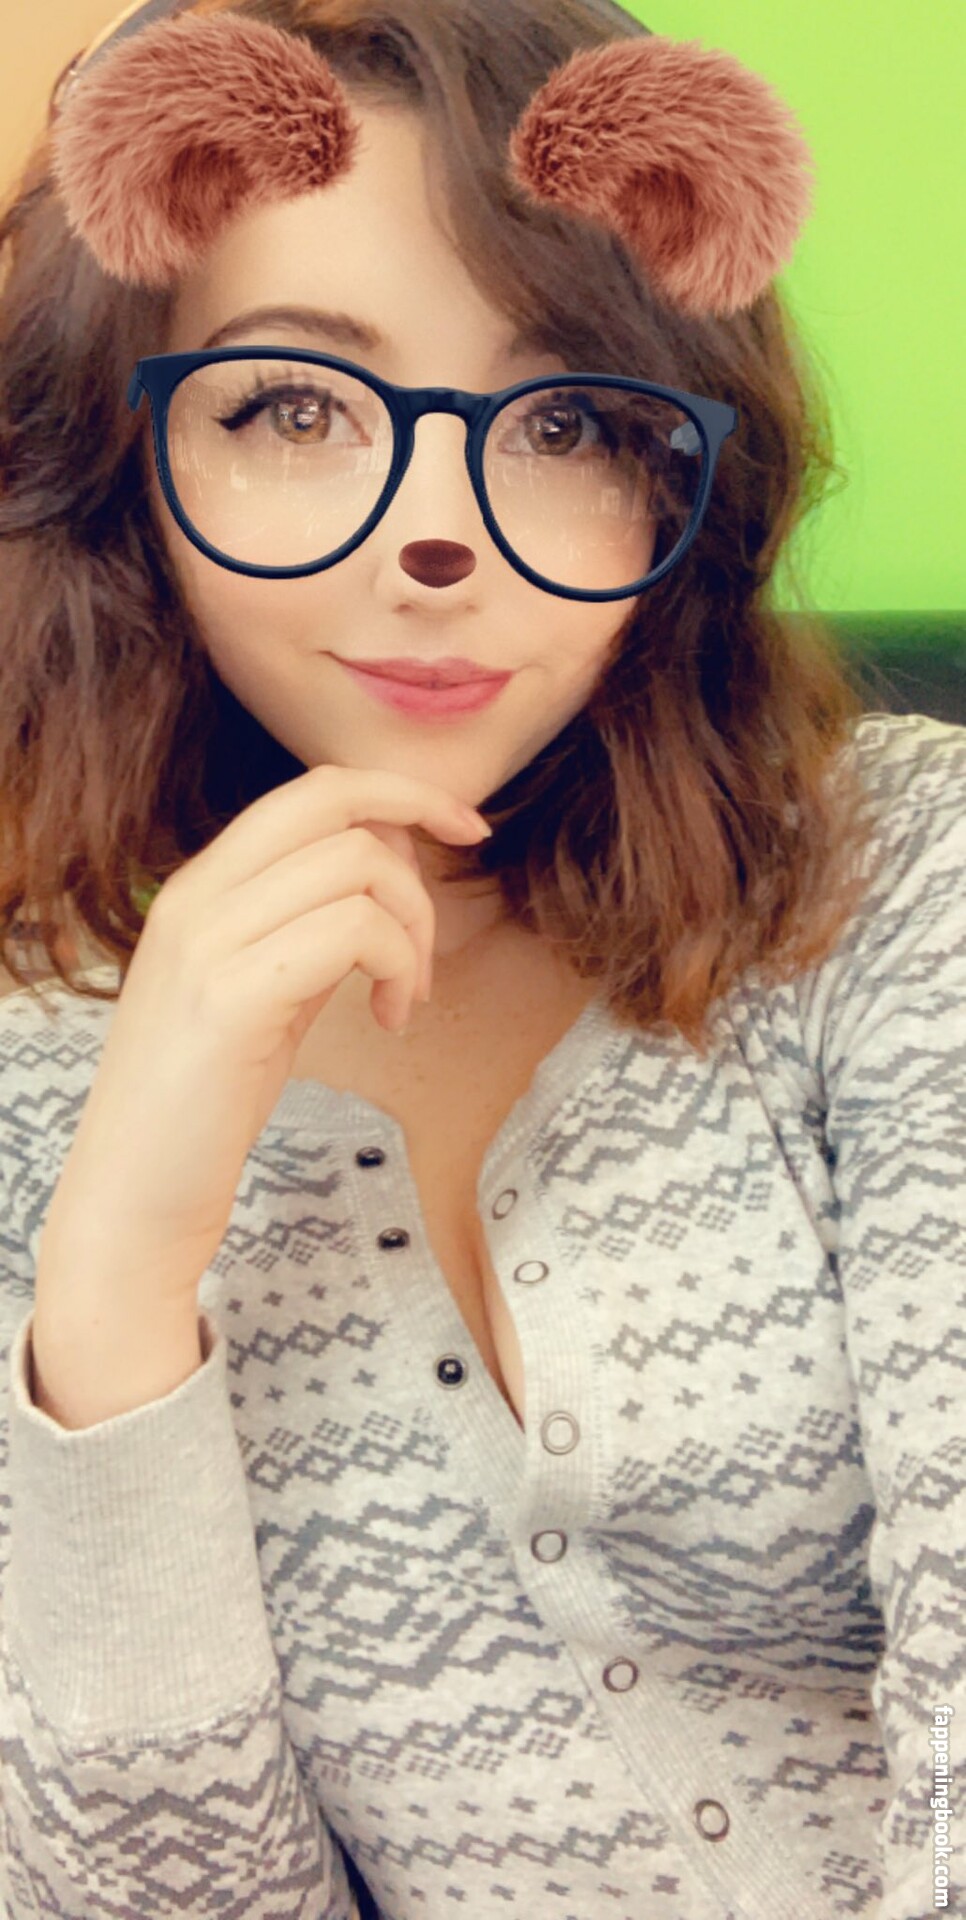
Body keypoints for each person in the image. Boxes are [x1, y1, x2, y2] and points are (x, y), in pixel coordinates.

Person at [0, 2, 962, 1916]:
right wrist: (111, 1290)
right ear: (126, 460)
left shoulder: (899, 868)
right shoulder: (27, 1079)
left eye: (566, 422)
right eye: (292, 409)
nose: (436, 543)